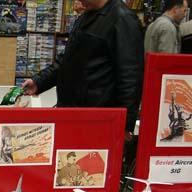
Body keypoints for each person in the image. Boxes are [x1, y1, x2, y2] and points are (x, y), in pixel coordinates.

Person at [21, 0, 144, 138]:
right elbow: (67, 59)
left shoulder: (123, 19)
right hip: (73, 113)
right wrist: (39, 82)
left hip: (97, 120)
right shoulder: (86, 16)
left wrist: (124, 125)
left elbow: (131, 77)